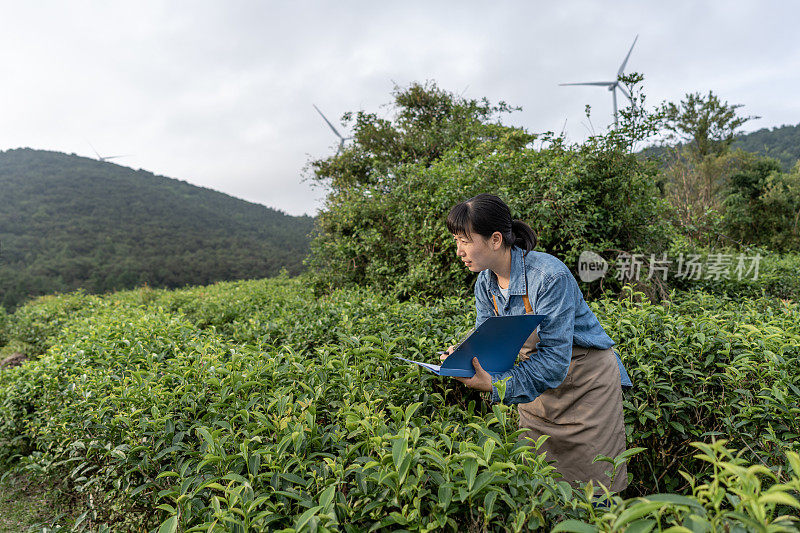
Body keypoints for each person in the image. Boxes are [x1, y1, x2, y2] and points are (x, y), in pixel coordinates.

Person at [441, 193, 632, 493]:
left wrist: (497, 385)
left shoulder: (548, 276)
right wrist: (465, 358)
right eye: (456, 241)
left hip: (587, 386)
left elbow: (555, 360)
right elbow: (490, 346)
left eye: (464, 241)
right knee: (540, 489)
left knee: (596, 492)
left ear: (494, 240)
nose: (458, 251)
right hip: (538, 392)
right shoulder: (485, 284)